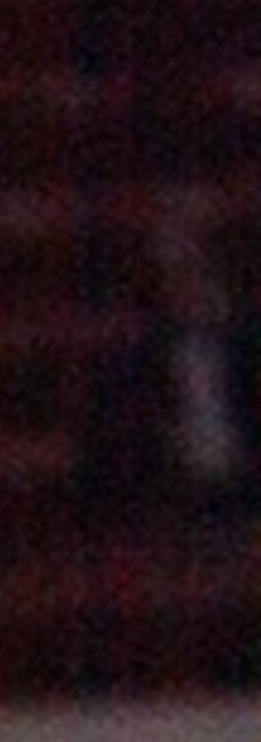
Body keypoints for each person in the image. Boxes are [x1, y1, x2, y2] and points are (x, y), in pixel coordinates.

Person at [75, 203, 261, 535]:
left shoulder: (247, 346)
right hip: (178, 507)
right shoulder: (137, 360)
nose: (186, 284)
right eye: (173, 273)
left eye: (195, 268)